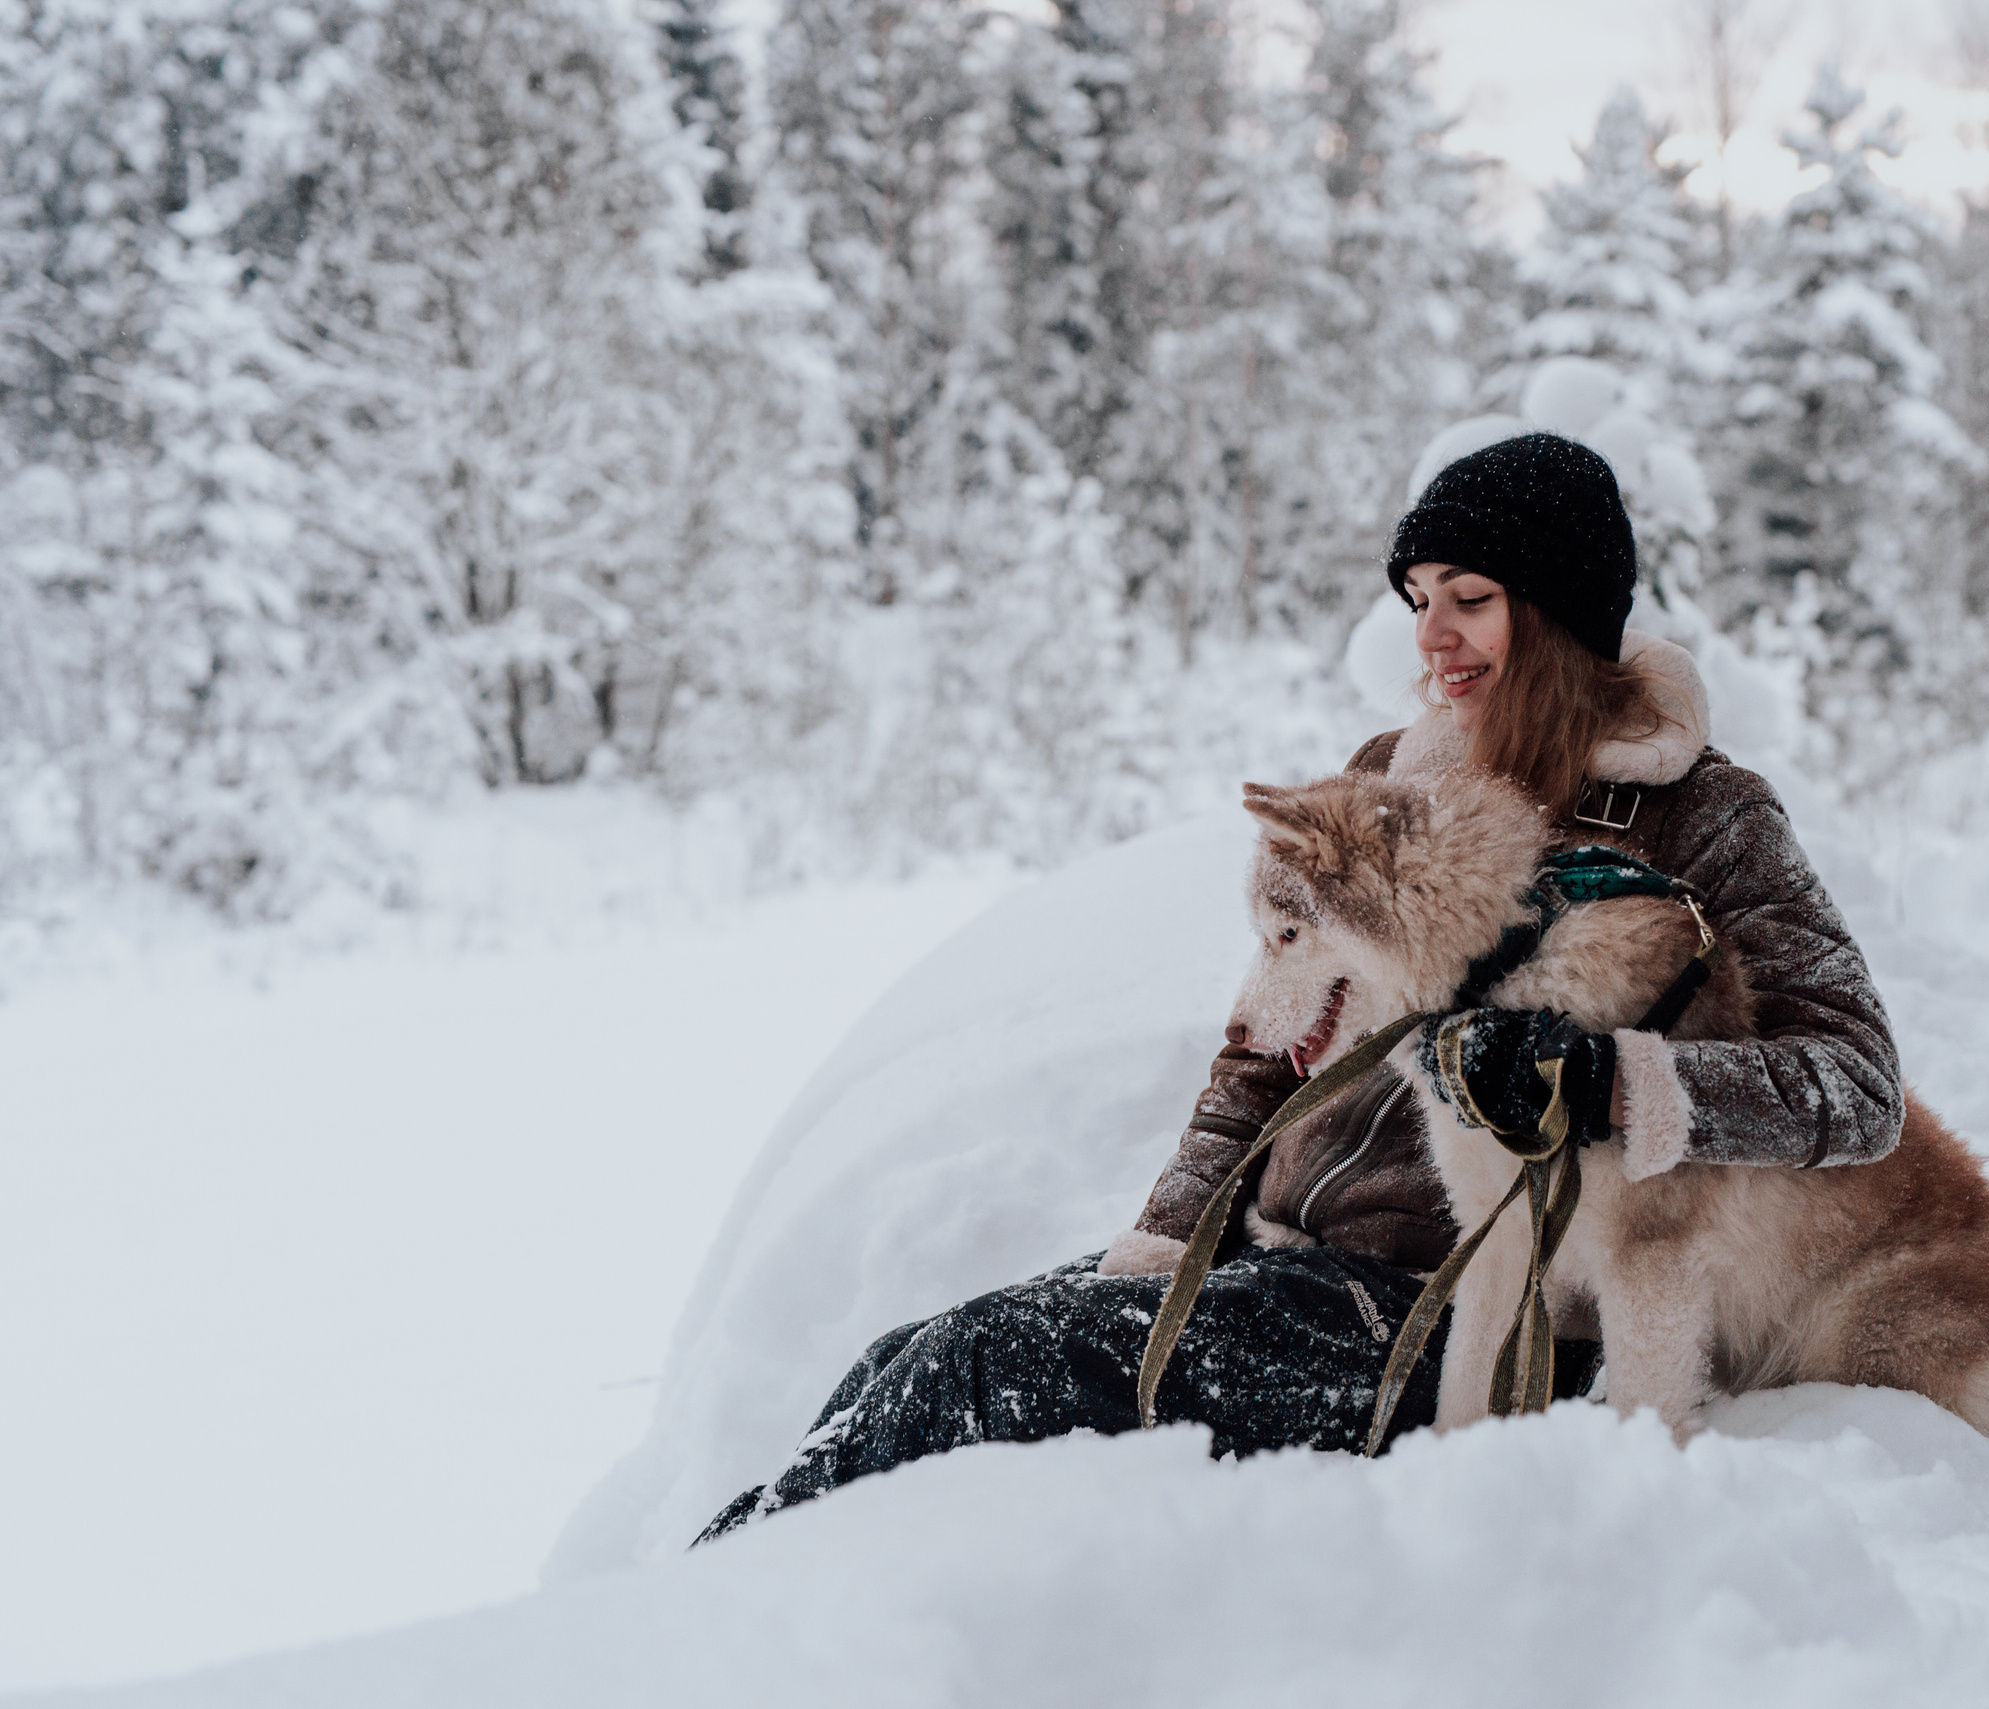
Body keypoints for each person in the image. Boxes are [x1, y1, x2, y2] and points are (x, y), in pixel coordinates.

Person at [695, 433, 1902, 1544]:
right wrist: (1174, 1230)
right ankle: (724, 1597)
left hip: (1468, 1307)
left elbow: (1853, 1085)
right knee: (904, 1359)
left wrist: (1612, 1081)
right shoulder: (1384, 779)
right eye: (1419, 600)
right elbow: (1266, 1045)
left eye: (1470, 601)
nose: (1432, 638)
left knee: (973, 1369)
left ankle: (722, 1612)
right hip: (1282, 1249)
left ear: (1560, 614)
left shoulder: (1703, 814)